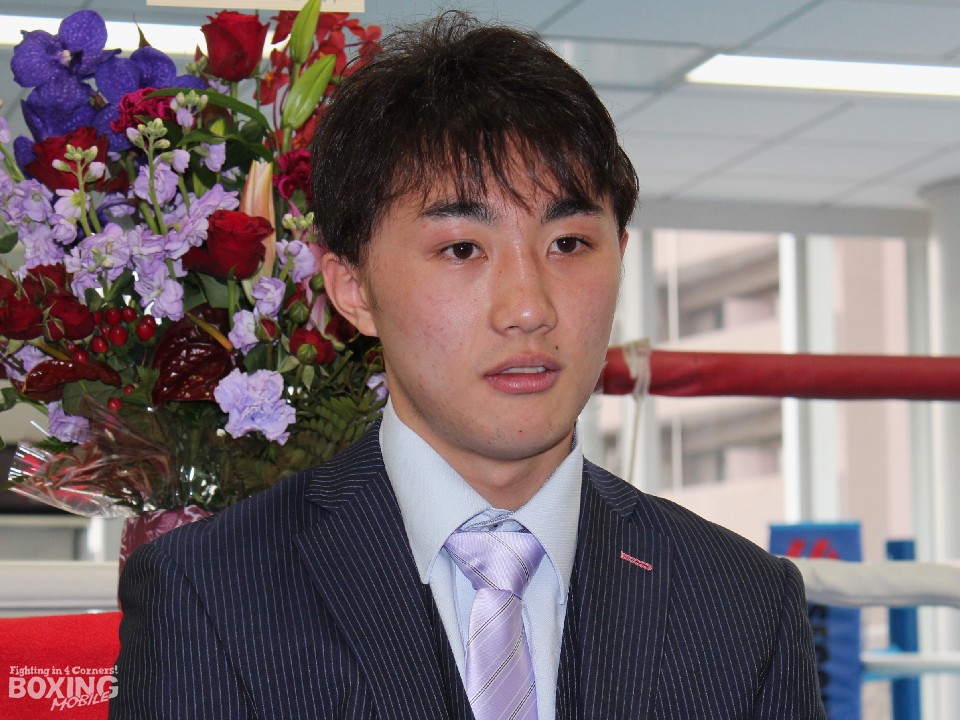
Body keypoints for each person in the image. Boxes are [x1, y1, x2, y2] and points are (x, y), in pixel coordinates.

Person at [111, 12, 825, 720]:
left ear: (622, 257)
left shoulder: (742, 603)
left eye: (570, 244)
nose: (529, 308)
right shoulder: (211, 593)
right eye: (462, 249)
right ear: (353, 290)